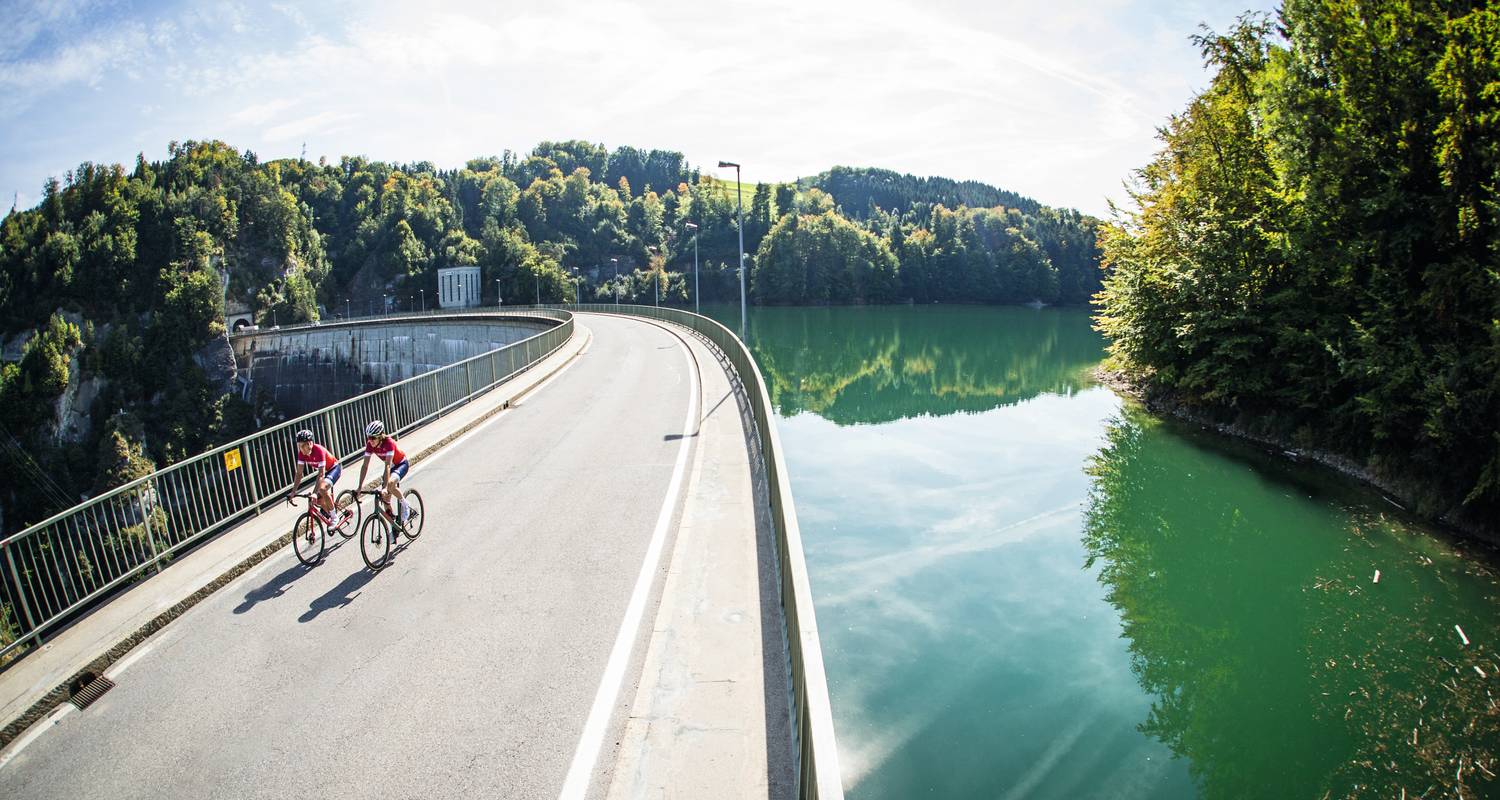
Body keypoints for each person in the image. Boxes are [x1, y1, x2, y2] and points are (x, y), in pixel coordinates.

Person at [358, 420, 414, 528]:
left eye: (373, 438)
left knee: (390, 483)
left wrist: (385, 487)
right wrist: (359, 487)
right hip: (391, 467)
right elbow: (365, 466)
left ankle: (405, 504)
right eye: (368, 437)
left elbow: (387, 465)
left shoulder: (389, 443)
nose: (370, 440)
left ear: (380, 436)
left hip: (401, 464)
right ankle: (394, 524)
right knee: (385, 499)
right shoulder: (370, 445)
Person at [287, 429, 347, 524]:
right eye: (299, 446)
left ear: (310, 444)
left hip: (334, 469)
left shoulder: (319, 450)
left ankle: (335, 518)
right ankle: (330, 511)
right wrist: (293, 492)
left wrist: (315, 492)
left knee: (322, 489)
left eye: (303, 446)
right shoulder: (301, 454)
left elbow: (321, 474)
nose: (301, 449)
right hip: (325, 473)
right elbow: (299, 474)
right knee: (318, 500)